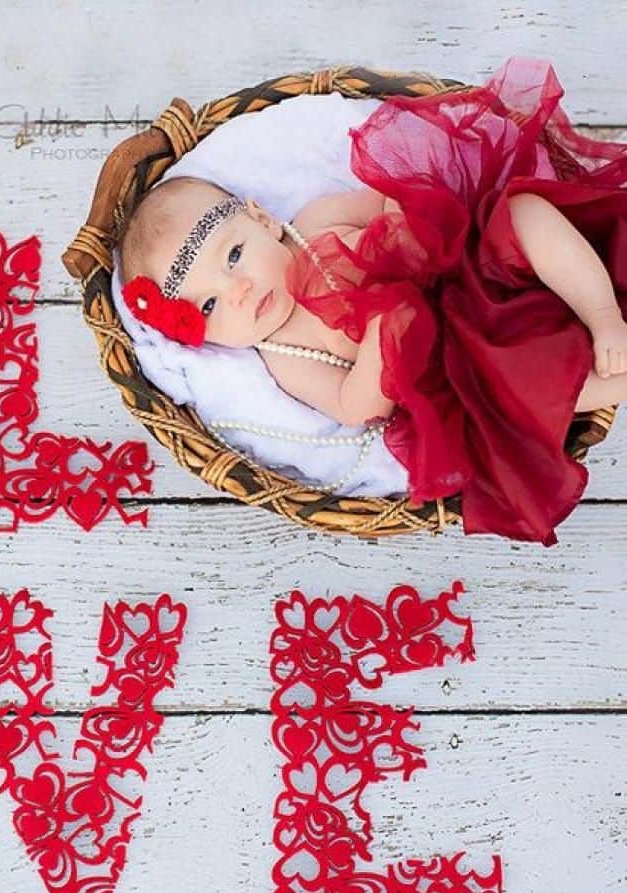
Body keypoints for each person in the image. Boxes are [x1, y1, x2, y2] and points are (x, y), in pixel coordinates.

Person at [117, 56, 627, 547]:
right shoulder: (285, 357)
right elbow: (354, 406)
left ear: (262, 221)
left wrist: (406, 237)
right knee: (522, 393)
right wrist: (381, 339)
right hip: (459, 360)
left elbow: (393, 199)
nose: (239, 292)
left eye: (233, 256)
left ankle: (603, 314)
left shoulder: (313, 223)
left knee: (524, 214)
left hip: (465, 266)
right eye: (208, 307)